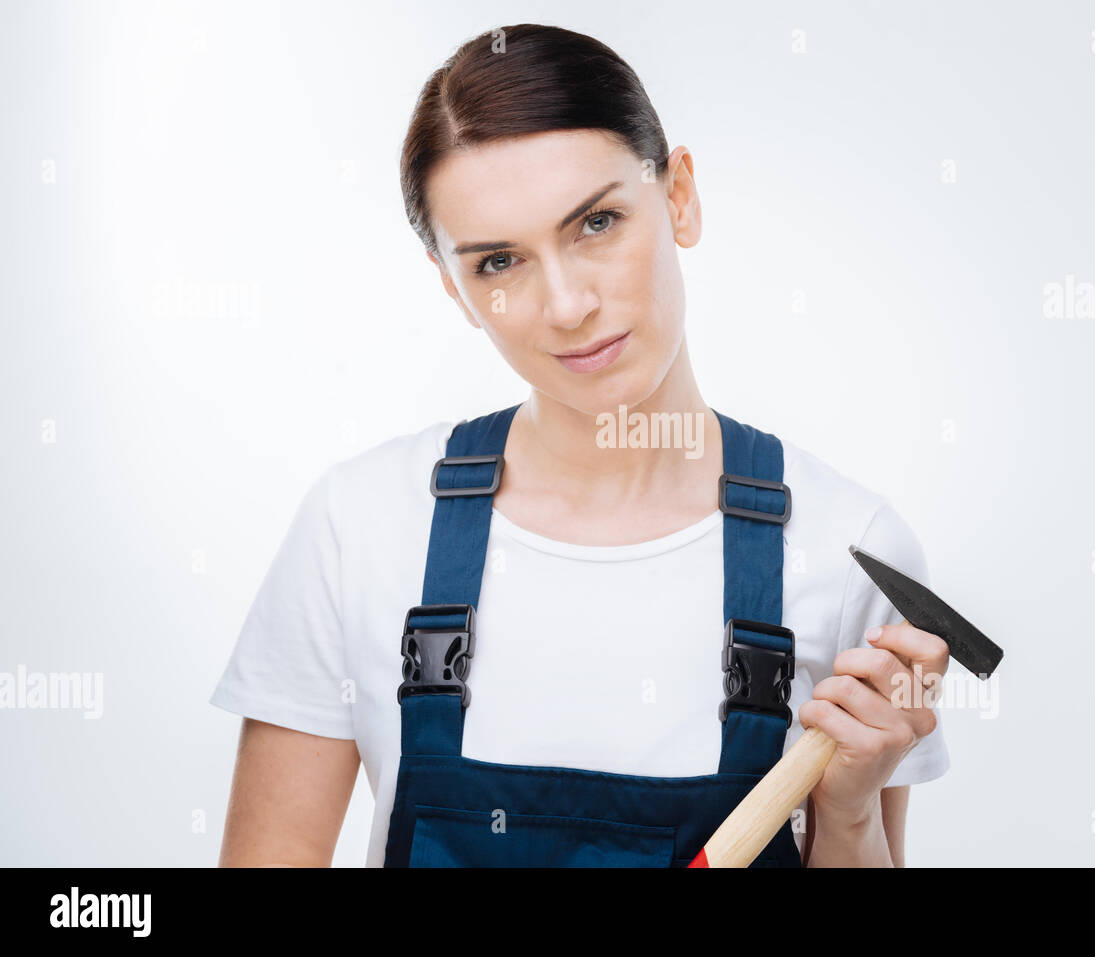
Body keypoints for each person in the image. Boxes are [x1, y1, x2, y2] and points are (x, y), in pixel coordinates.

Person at [210, 22, 951, 868]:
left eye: (597, 221)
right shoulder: (360, 526)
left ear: (679, 196)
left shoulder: (852, 551)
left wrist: (847, 817)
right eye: (498, 262)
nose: (565, 305)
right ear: (452, 288)